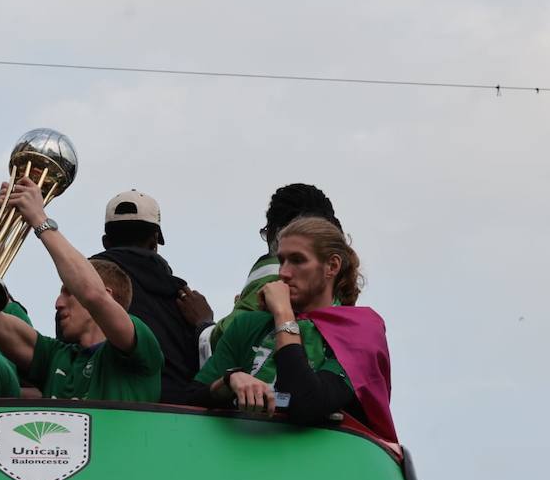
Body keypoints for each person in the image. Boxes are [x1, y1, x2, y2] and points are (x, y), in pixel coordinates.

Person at [192, 217, 397, 442]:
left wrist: (283, 314)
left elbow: (305, 403)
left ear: (332, 266)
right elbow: (186, 399)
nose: (284, 273)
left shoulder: (358, 332)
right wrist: (230, 381)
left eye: (298, 261)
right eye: (282, 261)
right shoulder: (247, 325)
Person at [0, 178, 163, 402]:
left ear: (109, 296)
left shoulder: (141, 346)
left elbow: (92, 294)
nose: (57, 303)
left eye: (68, 292)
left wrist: (39, 219)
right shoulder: (55, 356)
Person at [91, 189, 209, 404]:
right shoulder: (184, 298)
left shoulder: (85, 281)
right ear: (154, 242)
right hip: (178, 413)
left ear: (105, 242)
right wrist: (205, 324)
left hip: (105, 411)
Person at [209, 183, 340, 347]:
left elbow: (226, 339)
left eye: (298, 259)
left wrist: (204, 324)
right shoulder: (344, 301)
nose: (284, 272)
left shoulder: (272, 278)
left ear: (277, 234)